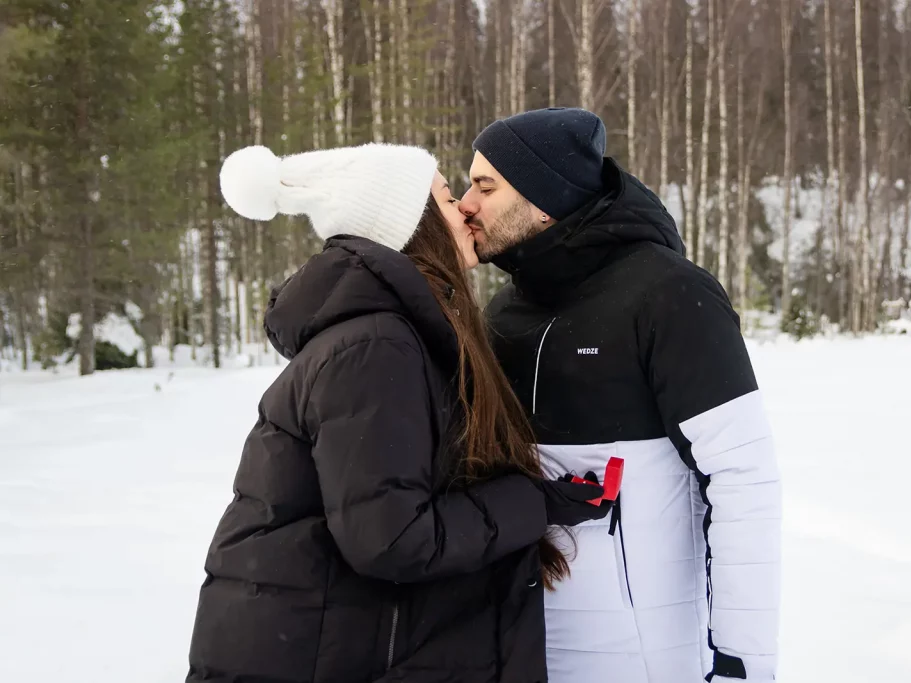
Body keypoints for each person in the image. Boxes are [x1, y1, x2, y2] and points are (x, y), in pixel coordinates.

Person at [186, 142, 611, 683]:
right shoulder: (376, 345)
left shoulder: (391, 333)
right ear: (411, 222)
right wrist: (534, 500)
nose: (464, 210)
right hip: (303, 655)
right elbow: (391, 538)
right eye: (448, 197)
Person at [460, 108, 782, 683]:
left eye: (486, 186)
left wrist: (742, 664)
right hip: (525, 650)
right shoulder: (505, 312)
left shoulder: (670, 296)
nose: (465, 203)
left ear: (544, 198)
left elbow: (744, 481)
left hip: (641, 658)